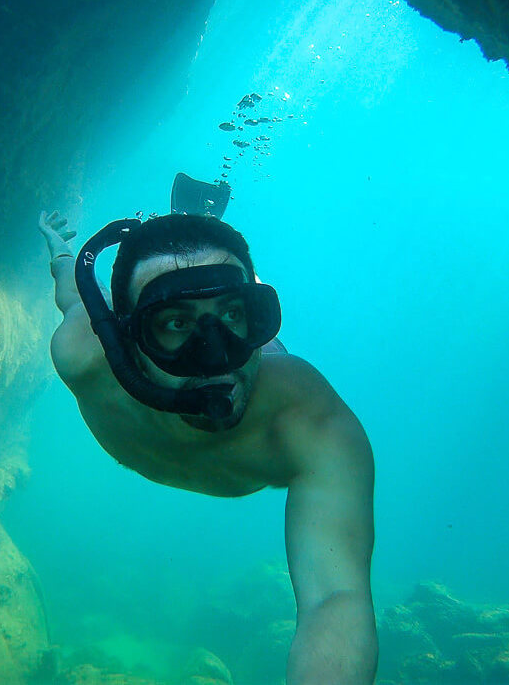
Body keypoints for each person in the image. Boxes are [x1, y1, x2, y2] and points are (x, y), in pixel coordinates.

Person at [36, 207, 377, 685]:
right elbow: (75, 298)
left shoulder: (305, 419)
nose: (216, 360)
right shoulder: (83, 357)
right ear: (125, 336)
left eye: (235, 315)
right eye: (174, 325)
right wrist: (60, 250)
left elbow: (334, 598)